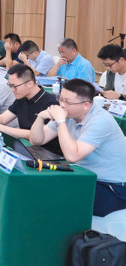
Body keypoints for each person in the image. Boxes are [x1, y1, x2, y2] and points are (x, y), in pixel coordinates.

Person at [30, 79, 126, 217]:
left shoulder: (100, 121)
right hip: (85, 176)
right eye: (60, 99)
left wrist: (61, 121)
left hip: (111, 187)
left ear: (86, 105)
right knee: (40, 185)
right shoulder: (70, 114)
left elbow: (72, 156)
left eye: (67, 102)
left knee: (54, 199)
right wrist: (40, 117)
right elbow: (37, 140)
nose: (62, 105)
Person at [0, 64, 62, 156]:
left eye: (14, 86)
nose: (12, 90)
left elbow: (34, 135)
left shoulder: (51, 104)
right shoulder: (22, 98)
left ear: (30, 84)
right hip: (28, 147)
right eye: (10, 85)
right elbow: (2, 118)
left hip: (49, 152)